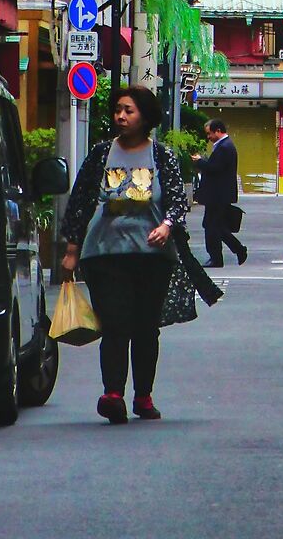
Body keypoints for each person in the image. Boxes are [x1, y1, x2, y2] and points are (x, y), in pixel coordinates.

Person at [60, 84, 191, 424]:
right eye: (118, 109)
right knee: (115, 323)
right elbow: (80, 201)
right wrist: (72, 249)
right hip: (105, 254)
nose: (121, 116)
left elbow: (177, 200)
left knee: (146, 327)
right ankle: (113, 393)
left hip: (151, 256)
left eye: (129, 110)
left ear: (145, 116)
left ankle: (143, 396)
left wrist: (167, 225)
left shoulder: (161, 156)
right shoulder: (101, 154)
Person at [196, 119, 248, 268]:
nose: (208, 137)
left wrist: (200, 162)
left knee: (212, 226)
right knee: (214, 226)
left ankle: (221, 256)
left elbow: (215, 168)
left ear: (218, 130)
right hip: (218, 194)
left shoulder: (225, 148)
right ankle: (231, 252)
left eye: (209, 133)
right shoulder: (224, 146)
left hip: (218, 195)